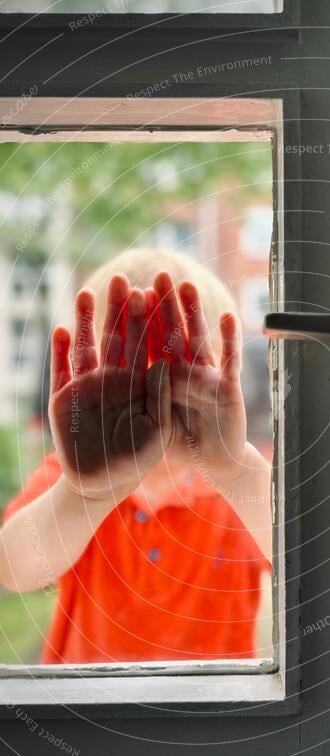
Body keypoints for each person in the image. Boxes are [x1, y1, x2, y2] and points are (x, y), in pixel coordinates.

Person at [0, 249, 272, 663]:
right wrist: (84, 494)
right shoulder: (70, 478)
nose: (151, 410)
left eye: (180, 375)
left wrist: (235, 474)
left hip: (219, 719)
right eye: (123, 386)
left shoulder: (243, 488)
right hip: (83, 716)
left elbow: (312, 561)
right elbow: (14, 570)